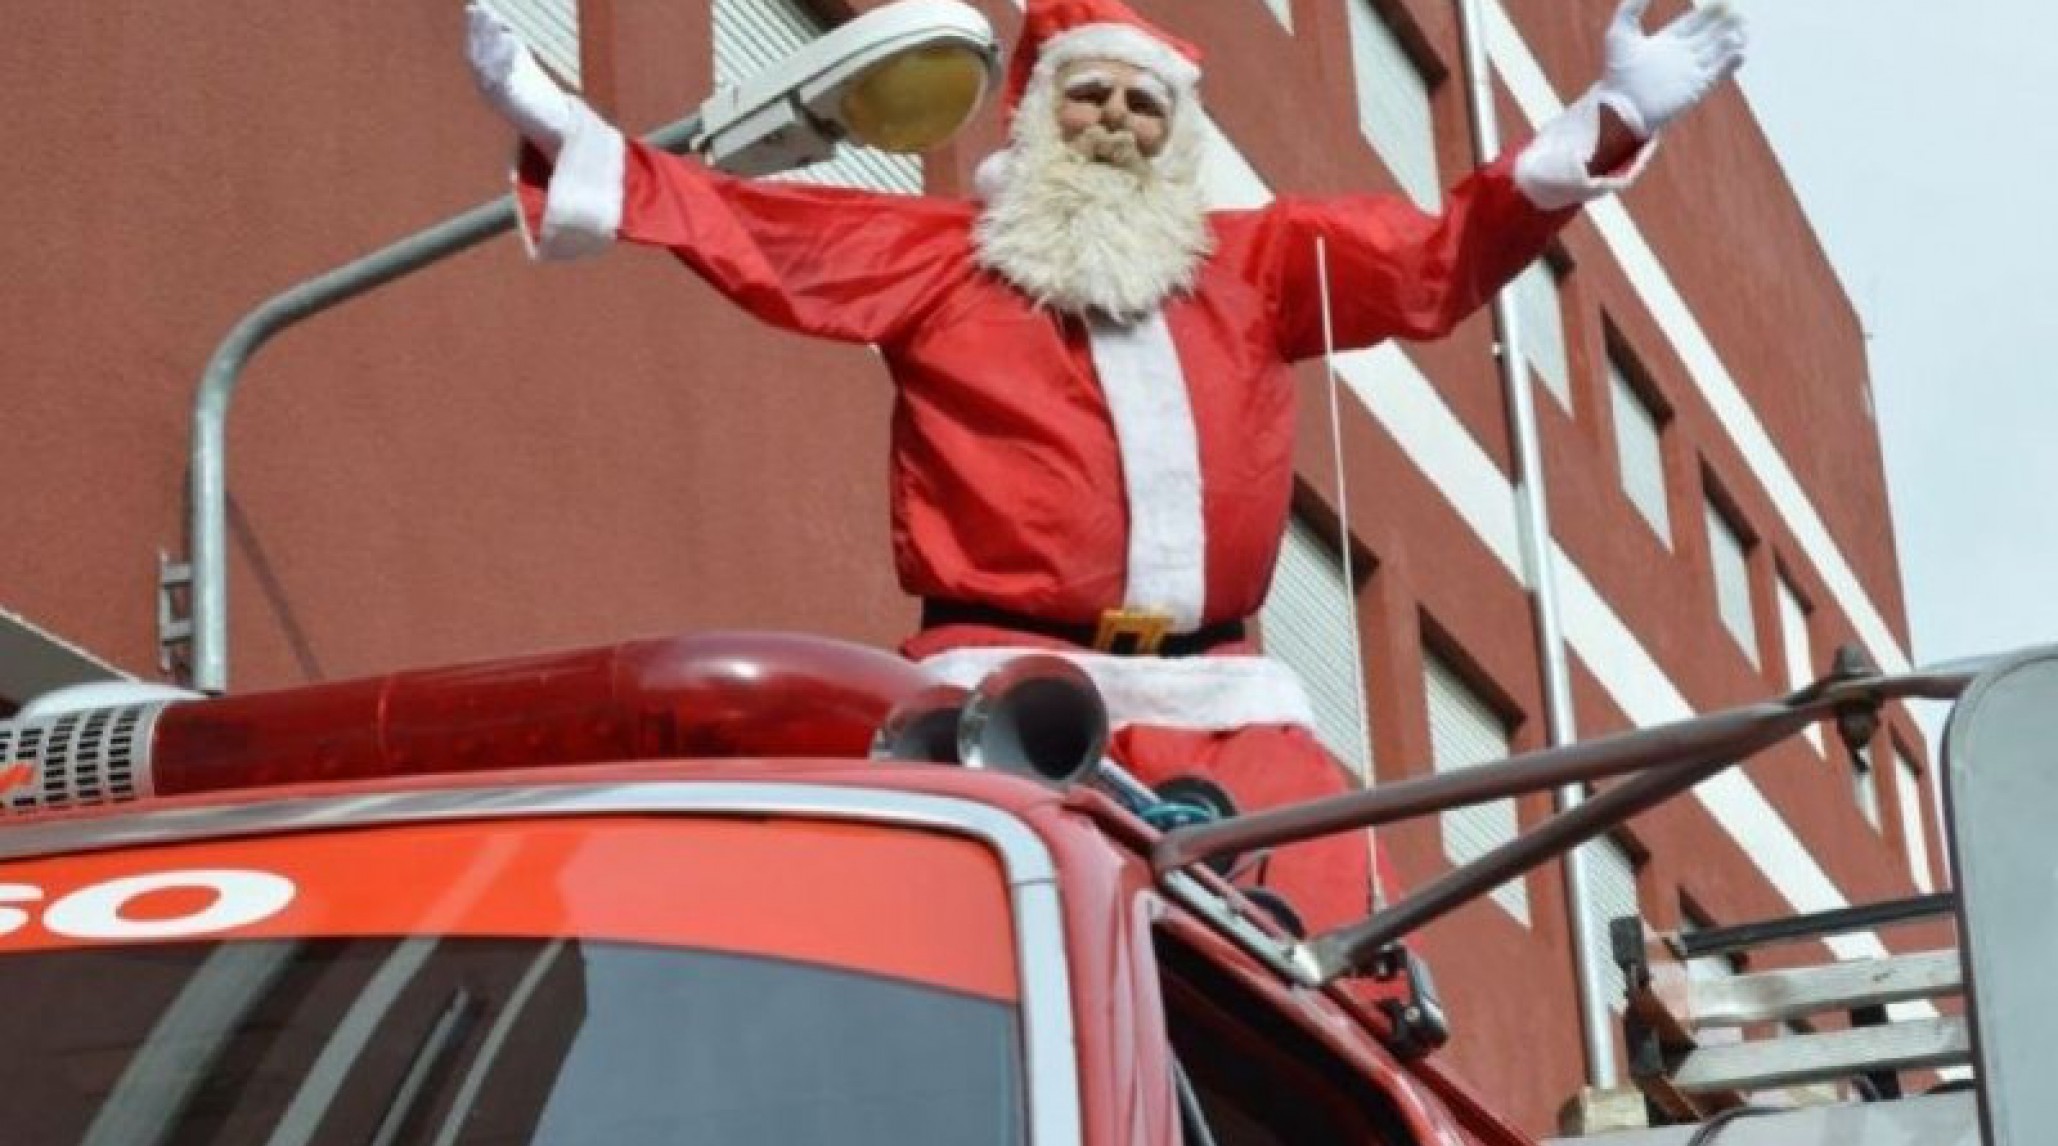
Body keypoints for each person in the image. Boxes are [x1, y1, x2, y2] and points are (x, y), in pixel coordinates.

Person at [464, 0, 1744, 940]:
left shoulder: (1252, 264)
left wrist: (1608, 118)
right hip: (1010, 690)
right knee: (989, 939)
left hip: (1228, 695)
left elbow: (1435, 253)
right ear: (1037, 115)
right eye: (1090, 97)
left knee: (1323, 935)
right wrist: (587, 140)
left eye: (1145, 106)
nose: (1119, 123)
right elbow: (761, 233)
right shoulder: (945, 256)